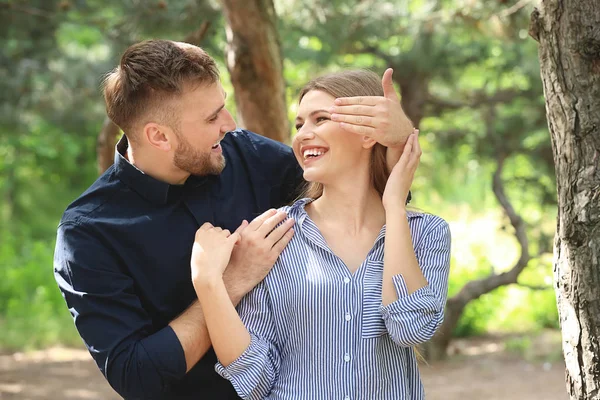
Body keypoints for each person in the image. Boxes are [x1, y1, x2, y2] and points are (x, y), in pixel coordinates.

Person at [53, 40, 414, 399]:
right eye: (212, 118)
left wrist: (395, 140)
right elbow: (137, 377)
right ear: (158, 136)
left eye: (222, 107)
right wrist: (228, 283)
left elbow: (368, 194)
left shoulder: (250, 156)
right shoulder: (88, 233)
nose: (229, 124)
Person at [191, 70, 451, 399]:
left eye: (320, 119)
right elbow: (254, 378)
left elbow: (410, 328)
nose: (303, 135)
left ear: (368, 133)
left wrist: (394, 205)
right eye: (299, 125)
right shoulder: (275, 234)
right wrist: (209, 284)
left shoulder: (426, 233)